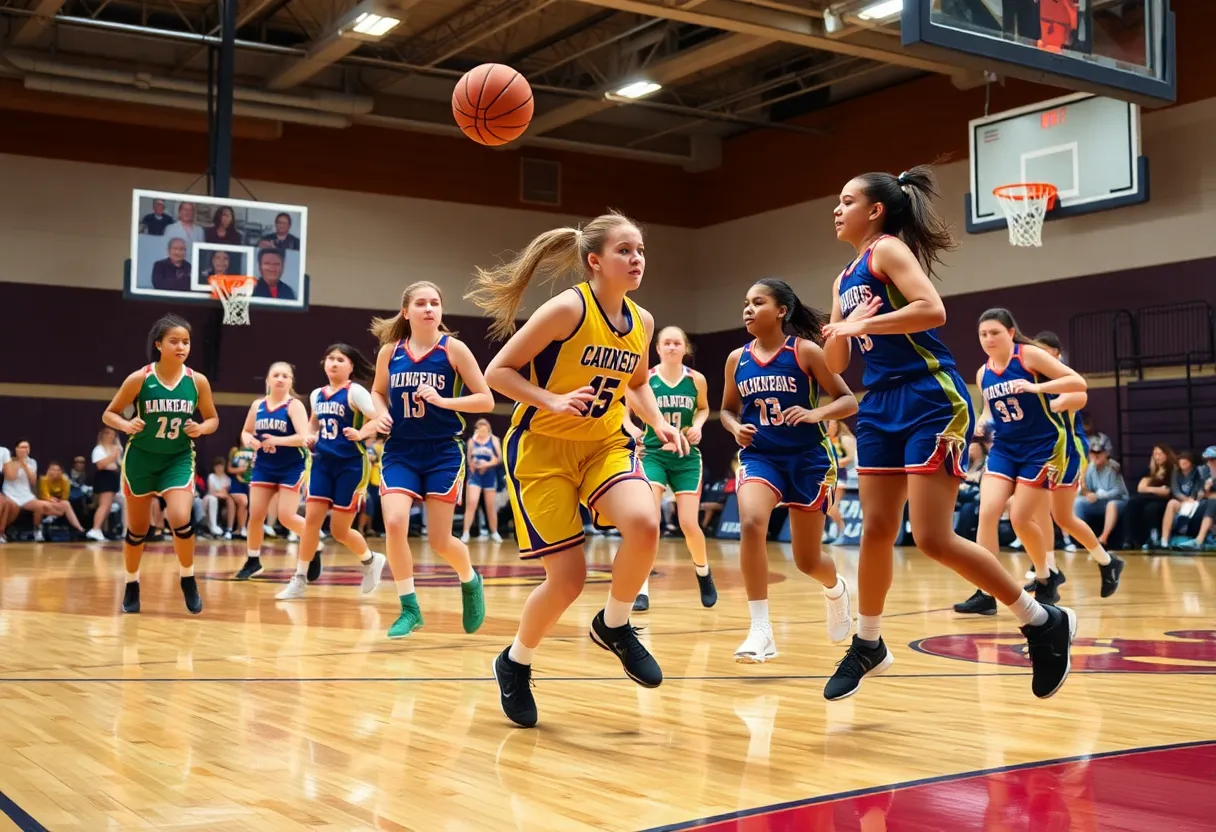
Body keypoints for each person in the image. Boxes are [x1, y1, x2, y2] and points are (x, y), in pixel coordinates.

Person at [821, 165, 1075, 701]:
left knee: (933, 537)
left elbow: (932, 309)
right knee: (876, 529)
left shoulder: (887, 250)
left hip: (928, 395)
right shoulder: (843, 278)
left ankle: (1040, 618)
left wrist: (865, 323)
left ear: (876, 211)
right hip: (879, 402)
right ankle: (868, 642)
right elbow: (837, 359)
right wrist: (840, 329)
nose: (837, 209)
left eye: (847, 201)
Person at [467, 210, 687, 728]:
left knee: (645, 523)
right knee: (566, 580)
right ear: (595, 261)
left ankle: (614, 624)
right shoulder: (567, 309)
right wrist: (551, 400)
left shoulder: (644, 321)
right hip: (542, 449)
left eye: (640, 251)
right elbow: (498, 372)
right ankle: (514, 661)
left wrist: (656, 422)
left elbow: (635, 384)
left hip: (605, 443)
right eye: (624, 251)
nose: (636, 260)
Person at [720, 280, 857, 662]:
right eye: (745, 302)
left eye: (758, 302)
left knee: (807, 560)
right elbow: (728, 409)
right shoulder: (737, 359)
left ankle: (835, 589)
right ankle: (761, 629)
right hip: (762, 457)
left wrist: (816, 413)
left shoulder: (805, 351)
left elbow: (847, 401)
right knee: (750, 524)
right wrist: (734, 427)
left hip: (808, 458)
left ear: (781, 310)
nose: (747, 309)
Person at [369, 282, 492, 639]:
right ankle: (409, 608)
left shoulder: (454, 349)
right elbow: (378, 391)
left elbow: (484, 399)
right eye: (421, 303)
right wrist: (379, 414)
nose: (429, 308)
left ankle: (470, 581)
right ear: (406, 312)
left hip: (442, 451)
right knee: (394, 522)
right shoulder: (390, 352)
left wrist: (444, 401)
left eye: (435, 303)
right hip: (400, 451)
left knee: (439, 540)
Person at [101, 315, 219, 613]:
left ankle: (188, 578)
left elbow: (213, 419)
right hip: (141, 459)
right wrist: (126, 425)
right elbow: (109, 414)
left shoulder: (197, 381)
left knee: (180, 515)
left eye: (186, 342)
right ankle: (131, 583)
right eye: (175, 341)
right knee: (138, 528)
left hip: (177, 458)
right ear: (159, 344)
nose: (182, 346)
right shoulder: (140, 378)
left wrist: (201, 428)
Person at [274, 344, 387, 598]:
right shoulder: (317, 395)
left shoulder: (355, 391)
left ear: (351, 367)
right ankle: (300, 578)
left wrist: (361, 433)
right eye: (330, 358)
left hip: (351, 465)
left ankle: (371, 560)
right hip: (322, 463)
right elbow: (314, 423)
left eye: (340, 359)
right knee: (311, 523)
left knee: (339, 530)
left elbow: (379, 419)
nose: (333, 363)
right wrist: (311, 436)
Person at [624, 325, 716, 610]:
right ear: (658, 348)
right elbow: (624, 415)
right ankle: (641, 589)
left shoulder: (696, 380)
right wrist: (634, 433)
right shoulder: (644, 379)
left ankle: (703, 572)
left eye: (677, 342)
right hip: (653, 454)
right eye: (667, 343)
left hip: (686, 457)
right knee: (649, 523)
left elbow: (703, 408)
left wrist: (699, 426)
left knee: (689, 524)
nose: (673, 347)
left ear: (685, 348)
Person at [238, 362, 309, 580]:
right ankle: (253, 560)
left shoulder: (294, 405)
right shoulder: (257, 405)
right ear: (268, 380)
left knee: (286, 516)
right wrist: (249, 440)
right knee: (256, 514)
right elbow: (246, 431)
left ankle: (314, 545)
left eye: (285, 375)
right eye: (276, 375)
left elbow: (303, 438)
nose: (280, 378)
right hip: (264, 466)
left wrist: (276, 440)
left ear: (291, 381)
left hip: (290, 466)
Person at [460, 419, 504, 543]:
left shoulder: (494, 440)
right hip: (475, 475)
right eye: (479, 429)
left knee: (491, 506)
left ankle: (494, 532)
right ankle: (465, 532)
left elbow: (499, 458)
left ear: (488, 429)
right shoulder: (472, 441)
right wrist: (473, 466)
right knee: (471, 504)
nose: (482, 431)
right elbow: (468, 459)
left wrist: (487, 465)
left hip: (489, 475)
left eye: (484, 429)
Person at [87, 427, 123, 541]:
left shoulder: (116, 448)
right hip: (104, 477)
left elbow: (119, 463)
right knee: (104, 505)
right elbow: (100, 465)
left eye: (113, 434)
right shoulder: (98, 449)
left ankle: (100, 530)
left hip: (113, 476)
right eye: (107, 433)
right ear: (102, 435)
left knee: (108, 507)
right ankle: (95, 529)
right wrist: (113, 455)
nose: (110, 436)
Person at [825, 420, 857, 543]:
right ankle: (829, 533)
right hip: (826, 477)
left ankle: (843, 532)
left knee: (831, 507)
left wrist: (832, 464)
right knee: (823, 507)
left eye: (832, 424)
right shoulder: (825, 440)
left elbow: (849, 458)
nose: (829, 426)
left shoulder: (844, 439)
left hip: (839, 478)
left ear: (837, 425)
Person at [203, 457, 235, 538]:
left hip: (222, 502)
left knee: (228, 505)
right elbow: (211, 492)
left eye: (221, 466)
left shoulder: (227, 479)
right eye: (217, 466)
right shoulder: (211, 476)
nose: (219, 469)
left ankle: (227, 529)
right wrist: (220, 492)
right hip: (209, 500)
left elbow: (226, 494)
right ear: (214, 467)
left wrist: (220, 493)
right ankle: (213, 526)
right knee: (212, 499)